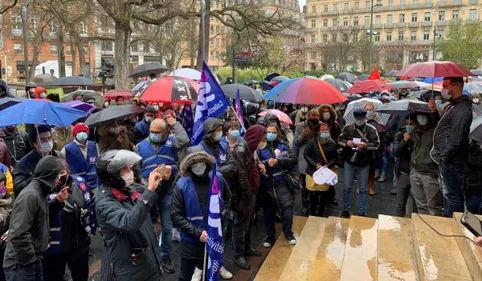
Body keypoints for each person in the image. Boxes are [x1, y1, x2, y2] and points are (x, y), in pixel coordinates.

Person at [95, 150, 171, 281]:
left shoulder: (130, 188)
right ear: (113, 175)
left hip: (150, 263)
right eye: (124, 168)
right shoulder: (104, 203)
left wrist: (164, 180)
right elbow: (129, 222)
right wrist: (150, 190)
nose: (130, 170)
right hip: (131, 271)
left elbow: (154, 196)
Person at [135, 117, 189, 274]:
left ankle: (165, 257)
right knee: (145, 225)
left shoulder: (172, 142)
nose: (154, 135)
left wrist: (174, 123)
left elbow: (184, 140)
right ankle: (148, 255)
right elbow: (137, 169)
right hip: (149, 191)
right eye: (151, 132)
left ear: (166, 132)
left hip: (168, 191)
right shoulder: (140, 146)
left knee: (167, 226)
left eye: (157, 132)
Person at [3, 156, 68, 281]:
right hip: (20, 265)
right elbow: (18, 234)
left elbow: (39, 216)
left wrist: (56, 202)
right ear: (50, 175)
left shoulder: (41, 192)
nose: (59, 179)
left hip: (31, 260)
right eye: (57, 175)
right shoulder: (30, 195)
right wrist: (30, 260)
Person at [171, 151, 233, 281]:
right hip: (191, 241)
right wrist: (198, 232)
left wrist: (223, 215)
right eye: (194, 165)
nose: (199, 167)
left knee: (211, 271)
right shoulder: (182, 185)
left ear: (208, 165)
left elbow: (227, 198)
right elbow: (176, 215)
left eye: (202, 164)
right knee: (185, 275)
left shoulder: (218, 179)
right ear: (189, 167)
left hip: (215, 236)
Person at [43, 160, 95, 281]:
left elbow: (91, 202)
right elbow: (40, 215)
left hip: (79, 244)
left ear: (68, 172)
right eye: (54, 173)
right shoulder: (43, 189)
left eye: (61, 172)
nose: (58, 176)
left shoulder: (80, 183)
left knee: (81, 275)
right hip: (54, 249)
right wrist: (55, 202)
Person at [429, 77, 473, 217]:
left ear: (455, 88)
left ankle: (451, 224)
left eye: (445, 86)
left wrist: (445, 157)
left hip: (451, 160)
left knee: (451, 194)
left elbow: (457, 137)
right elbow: (443, 128)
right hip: (447, 159)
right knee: (447, 193)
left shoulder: (461, 109)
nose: (443, 89)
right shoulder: (452, 105)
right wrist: (434, 112)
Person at [230, 125, 266, 270]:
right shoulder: (241, 150)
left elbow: (252, 167)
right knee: (240, 224)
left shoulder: (251, 149)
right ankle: (238, 255)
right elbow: (241, 175)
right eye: (262, 138)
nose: (263, 141)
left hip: (252, 192)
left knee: (249, 222)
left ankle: (247, 248)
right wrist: (248, 192)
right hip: (244, 194)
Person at [258, 124, 297, 248]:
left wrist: (279, 161)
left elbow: (293, 160)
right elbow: (256, 163)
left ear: (277, 133)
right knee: (268, 212)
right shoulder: (260, 147)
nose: (270, 134)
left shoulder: (283, 146)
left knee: (287, 209)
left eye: (273, 132)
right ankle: (270, 236)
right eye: (268, 131)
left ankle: (288, 233)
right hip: (266, 184)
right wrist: (267, 163)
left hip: (282, 182)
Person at [338, 109, 380, 218]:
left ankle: (362, 211)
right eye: (357, 119)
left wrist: (366, 145)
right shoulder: (348, 128)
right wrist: (346, 143)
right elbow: (339, 140)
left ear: (365, 118)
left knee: (363, 188)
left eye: (361, 119)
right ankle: (346, 210)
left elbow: (377, 144)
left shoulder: (371, 129)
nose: (359, 121)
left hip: (364, 162)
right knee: (347, 186)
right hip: (350, 160)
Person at [13, 126, 63, 196]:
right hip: (38, 200)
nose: (48, 142)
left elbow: (66, 178)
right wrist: (38, 175)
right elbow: (18, 189)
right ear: (34, 143)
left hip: (58, 199)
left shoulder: (59, 156)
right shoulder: (24, 164)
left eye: (49, 138)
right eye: (43, 140)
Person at [409, 113, 442, 216]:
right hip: (416, 171)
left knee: (433, 207)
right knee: (420, 205)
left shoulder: (435, 131)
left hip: (430, 173)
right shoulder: (415, 131)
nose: (420, 118)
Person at [304, 122, 338, 218]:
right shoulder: (312, 142)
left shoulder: (332, 143)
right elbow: (306, 154)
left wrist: (327, 165)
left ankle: (321, 213)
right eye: (322, 130)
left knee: (323, 194)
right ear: (318, 132)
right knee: (313, 194)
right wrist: (315, 165)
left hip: (325, 173)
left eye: (326, 129)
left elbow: (334, 158)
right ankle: (312, 213)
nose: (325, 131)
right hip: (312, 172)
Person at [293, 109, 321, 216]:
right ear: (308, 116)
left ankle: (314, 204)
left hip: (317, 161)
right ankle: (305, 205)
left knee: (316, 185)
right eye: (313, 115)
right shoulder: (301, 126)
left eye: (317, 115)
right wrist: (303, 135)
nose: (316, 117)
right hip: (304, 161)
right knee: (304, 186)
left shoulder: (323, 126)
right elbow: (296, 142)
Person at [61, 123, 99, 192]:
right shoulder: (67, 148)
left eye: (84, 131)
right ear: (75, 134)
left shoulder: (94, 145)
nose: (82, 133)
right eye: (79, 132)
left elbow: (99, 162)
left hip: (94, 184)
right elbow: (61, 165)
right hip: (77, 185)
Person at [393, 116, 416, 217]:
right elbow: (396, 152)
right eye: (408, 124)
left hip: (416, 172)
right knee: (400, 203)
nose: (409, 126)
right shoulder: (400, 134)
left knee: (416, 204)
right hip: (404, 172)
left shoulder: (420, 135)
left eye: (412, 124)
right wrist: (405, 141)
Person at [463, 140, 482, 214]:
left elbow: (478, 163)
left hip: (474, 184)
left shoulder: (477, 150)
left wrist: (466, 156)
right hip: (465, 183)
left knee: (473, 208)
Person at [0, 172, 12, 281]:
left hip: (8, 254)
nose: (2, 189)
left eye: (3, 184)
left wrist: (11, 231)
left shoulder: (9, 201)